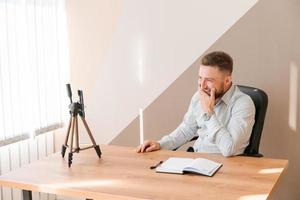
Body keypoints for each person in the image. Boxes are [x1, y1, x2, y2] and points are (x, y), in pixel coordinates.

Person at [136, 51, 255, 157]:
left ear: (227, 80)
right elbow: (186, 129)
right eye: (200, 78)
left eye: (208, 80)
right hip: (196, 160)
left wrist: (209, 113)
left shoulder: (243, 104)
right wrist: (160, 144)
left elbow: (229, 149)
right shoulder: (199, 97)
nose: (202, 86)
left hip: (224, 166)